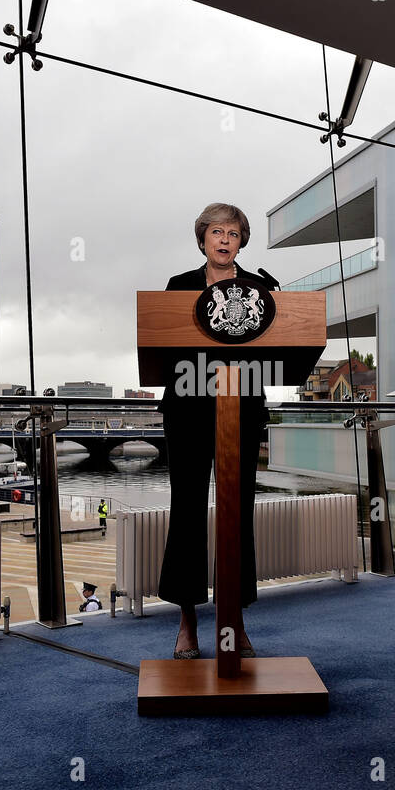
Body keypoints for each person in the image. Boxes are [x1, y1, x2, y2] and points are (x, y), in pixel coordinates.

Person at [155, 202, 269, 660]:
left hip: (240, 409)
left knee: (238, 514)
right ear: (202, 238)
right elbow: (160, 343)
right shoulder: (179, 287)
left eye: (234, 232)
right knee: (186, 511)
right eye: (216, 231)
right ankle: (187, 621)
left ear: (242, 241)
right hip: (187, 409)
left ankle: (234, 620)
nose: (225, 239)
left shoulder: (263, 289)